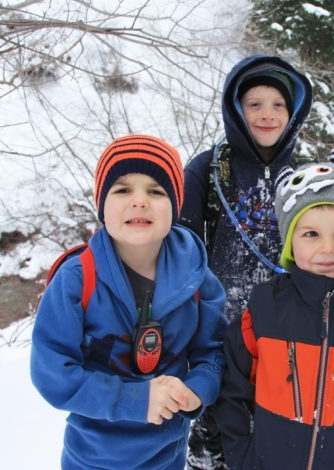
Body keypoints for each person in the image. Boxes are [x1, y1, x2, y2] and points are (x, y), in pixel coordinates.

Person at [30, 134, 228, 470]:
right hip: (90, 457)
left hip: (167, 455)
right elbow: (53, 372)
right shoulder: (77, 280)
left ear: (175, 207)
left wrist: (196, 391)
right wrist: (135, 400)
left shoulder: (198, 279)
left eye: (156, 191)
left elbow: (214, 353)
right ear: (101, 206)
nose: (140, 201)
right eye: (122, 190)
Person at [215, 148, 334, 470]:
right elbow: (234, 391)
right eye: (311, 234)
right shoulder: (265, 308)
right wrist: (244, 457)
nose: (328, 248)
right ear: (291, 243)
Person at [180, 54, 312, 469]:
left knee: (278, 439)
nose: (267, 114)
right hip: (218, 337)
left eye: (278, 104)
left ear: (293, 112)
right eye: (254, 104)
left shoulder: (307, 175)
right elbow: (181, 252)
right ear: (236, 109)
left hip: (288, 335)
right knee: (213, 443)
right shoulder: (207, 168)